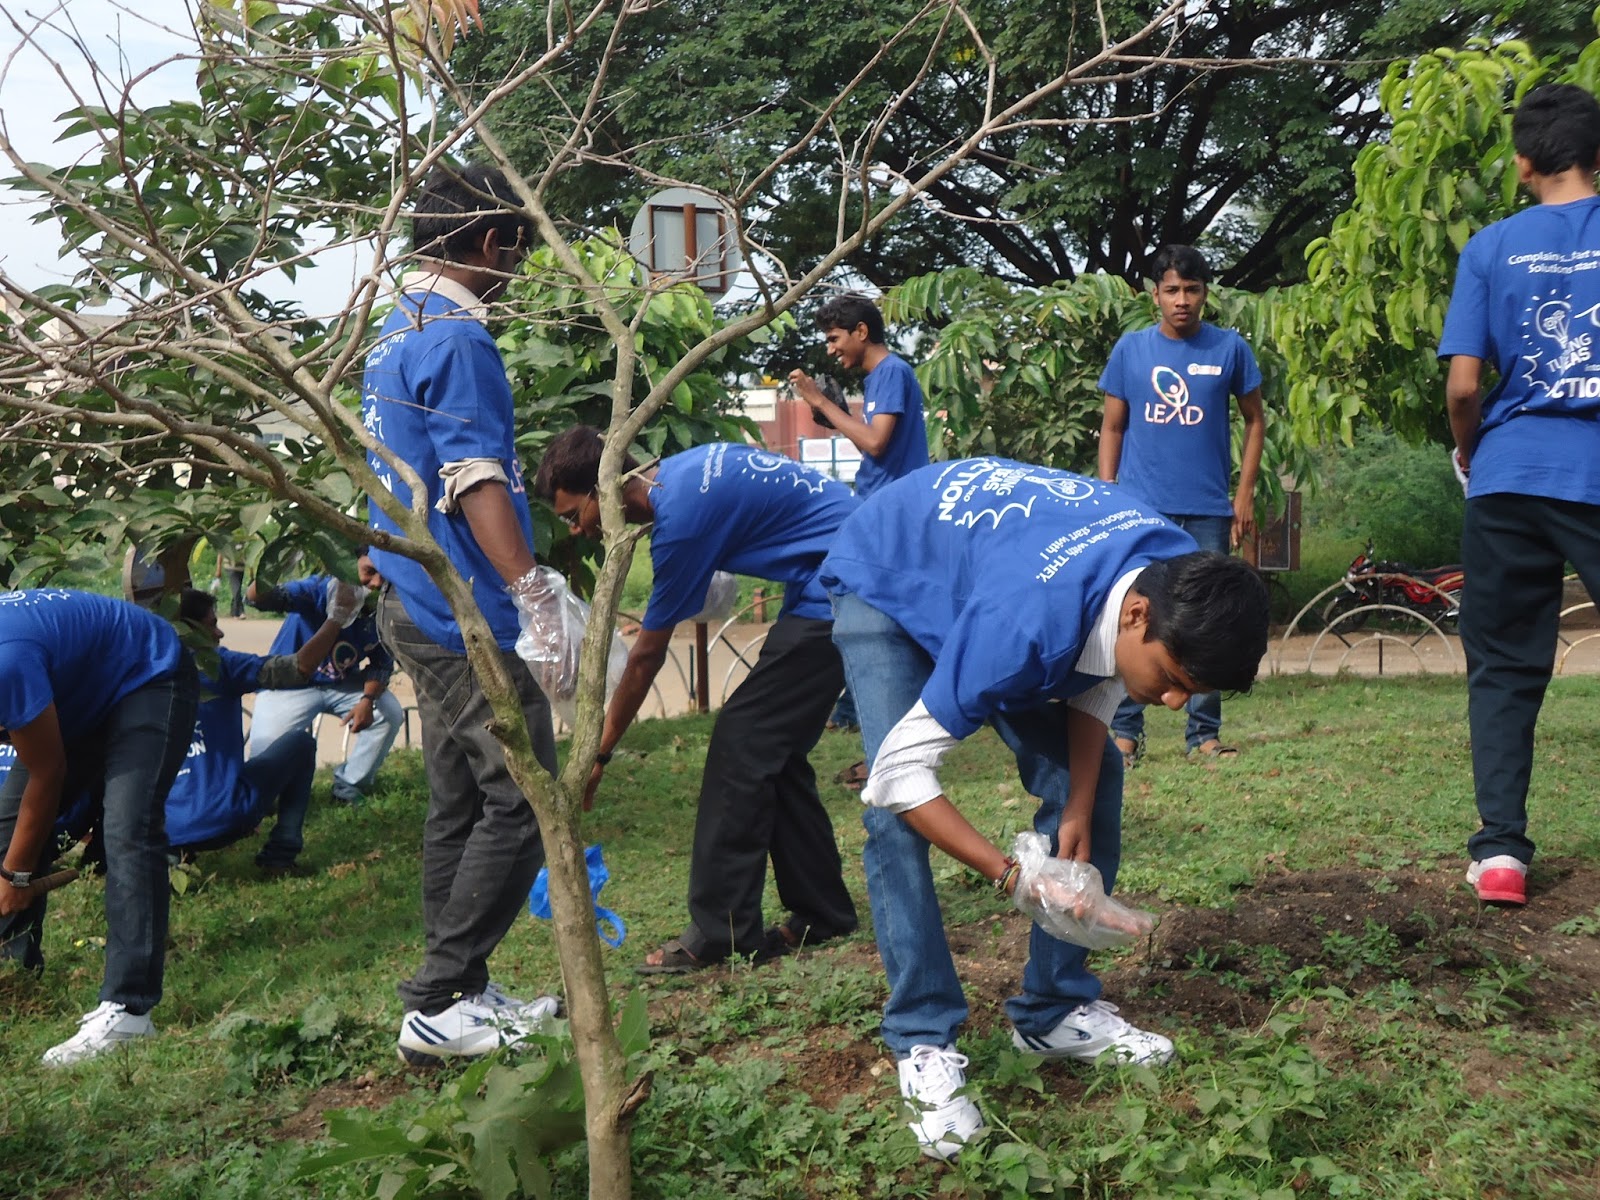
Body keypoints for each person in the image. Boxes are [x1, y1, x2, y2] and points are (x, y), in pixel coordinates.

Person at [819, 458, 1269, 1159]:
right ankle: (922, 1038)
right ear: (1138, 614)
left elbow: (1101, 674)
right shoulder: (1024, 627)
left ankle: (1053, 1011)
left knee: (1096, 775)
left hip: (995, 576)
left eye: (1190, 692)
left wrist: (1077, 805)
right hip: (892, 568)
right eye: (1172, 680)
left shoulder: (1175, 572)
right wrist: (1014, 877)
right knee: (894, 815)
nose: (1175, 702)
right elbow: (900, 776)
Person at [362, 162, 560, 1065]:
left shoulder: (392, 330)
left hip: (415, 600)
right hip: (465, 614)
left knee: (459, 802)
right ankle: (439, 1000)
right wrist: (531, 592)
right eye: (515, 254)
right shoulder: (457, 337)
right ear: (490, 243)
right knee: (523, 796)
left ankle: (463, 995)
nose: (516, 273)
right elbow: (474, 474)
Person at [533, 428, 862, 973]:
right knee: (772, 751)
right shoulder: (687, 469)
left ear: (605, 487)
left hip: (847, 581)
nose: (577, 530)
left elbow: (646, 657)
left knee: (742, 743)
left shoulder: (680, 522)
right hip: (831, 573)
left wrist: (600, 752)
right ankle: (822, 912)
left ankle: (719, 931)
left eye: (575, 514)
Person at [1440, 83, 1600, 909]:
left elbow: (1465, 387)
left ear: (1523, 164)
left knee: (1502, 666)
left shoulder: (1491, 246)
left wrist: (1472, 454)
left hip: (1507, 476)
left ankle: (1501, 853)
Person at [0, 589, 200, 1066]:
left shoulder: (6, 663)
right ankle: (12, 973)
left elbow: (49, 773)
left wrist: (16, 877)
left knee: (129, 828)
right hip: (75, 689)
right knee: (6, 833)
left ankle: (130, 1011)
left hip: (147, 673)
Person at [1097, 244, 1266, 766]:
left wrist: (1243, 493)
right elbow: (1112, 427)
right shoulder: (1131, 350)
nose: (1182, 300)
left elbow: (1255, 421)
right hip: (1141, 511)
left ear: (1205, 293)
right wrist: (1107, 493)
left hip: (1208, 509)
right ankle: (1125, 734)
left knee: (1211, 619)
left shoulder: (1230, 348)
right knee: (1135, 617)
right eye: (1171, 290)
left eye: (1192, 290)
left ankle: (1204, 736)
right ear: (1155, 296)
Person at [788, 293, 931, 751]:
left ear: (861, 332)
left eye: (835, 338)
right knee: (866, 608)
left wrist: (819, 401)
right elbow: (874, 442)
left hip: (891, 515)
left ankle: (861, 710)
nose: (831, 349)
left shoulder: (890, 372)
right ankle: (854, 708)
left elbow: (876, 443)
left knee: (851, 601)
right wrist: (838, 415)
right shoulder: (879, 378)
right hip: (877, 507)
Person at [169, 586, 359, 875]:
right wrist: (336, 618)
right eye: (212, 625)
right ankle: (280, 855)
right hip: (228, 817)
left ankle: (172, 859)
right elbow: (299, 668)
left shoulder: (140, 673)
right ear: (190, 630)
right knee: (301, 745)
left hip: (164, 830)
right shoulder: (220, 665)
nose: (219, 633)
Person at [246, 552, 402, 805]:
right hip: (287, 686)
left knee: (389, 713)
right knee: (264, 776)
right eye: (369, 572)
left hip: (340, 684)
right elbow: (256, 599)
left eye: (384, 575)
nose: (376, 583)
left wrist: (367, 700)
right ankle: (263, 800)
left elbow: (381, 665)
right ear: (347, 565)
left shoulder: (381, 608)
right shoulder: (318, 589)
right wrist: (278, 560)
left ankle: (349, 787)